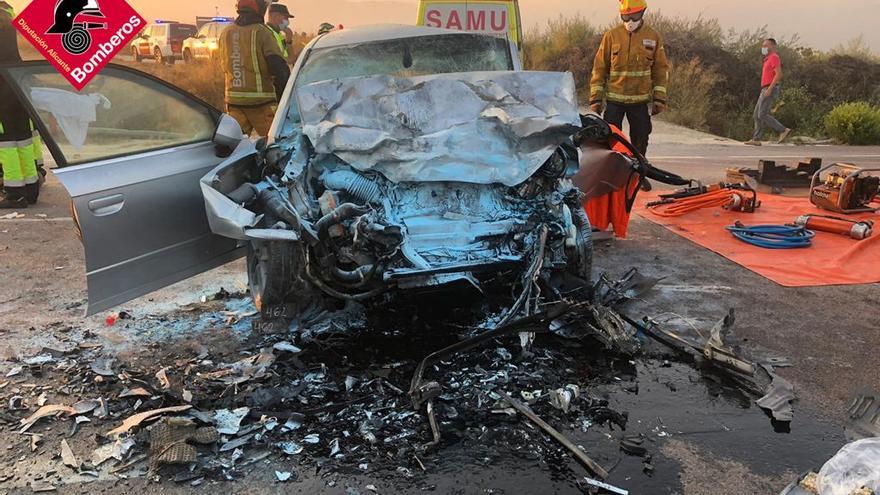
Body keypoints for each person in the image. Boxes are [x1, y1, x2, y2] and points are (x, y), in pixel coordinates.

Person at [590, 0, 669, 157]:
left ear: (642, 13)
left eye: (633, 16)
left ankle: (637, 175)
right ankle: (612, 173)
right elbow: (599, 68)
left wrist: (659, 99)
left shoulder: (653, 36)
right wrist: (595, 99)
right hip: (614, 102)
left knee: (640, 141)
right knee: (609, 140)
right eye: (625, 17)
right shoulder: (611, 36)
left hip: (639, 103)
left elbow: (660, 70)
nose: (630, 21)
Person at [218, 0, 291, 138]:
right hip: (261, 105)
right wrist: (284, 99)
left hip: (234, 104)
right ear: (260, 9)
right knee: (278, 144)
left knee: (232, 146)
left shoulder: (226, 33)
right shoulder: (262, 32)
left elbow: (224, 65)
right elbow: (279, 69)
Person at [0, 0, 41, 208]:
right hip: (15, 81)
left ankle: (15, 194)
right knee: (22, 137)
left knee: (6, 142)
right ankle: (31, 188)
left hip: (2, 85)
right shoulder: (6, 12)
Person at [744, 39, 792, 146]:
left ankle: (783, 130)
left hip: (770, 88)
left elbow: (779, 74)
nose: (763, 48)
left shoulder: (774, 57)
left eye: (765, 45)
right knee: (756, 115)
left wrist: (770, 89)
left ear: (772, 46)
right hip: (765, 88)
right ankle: (756, 139)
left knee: (762, 114)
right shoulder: (767, 59)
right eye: (763, 46)